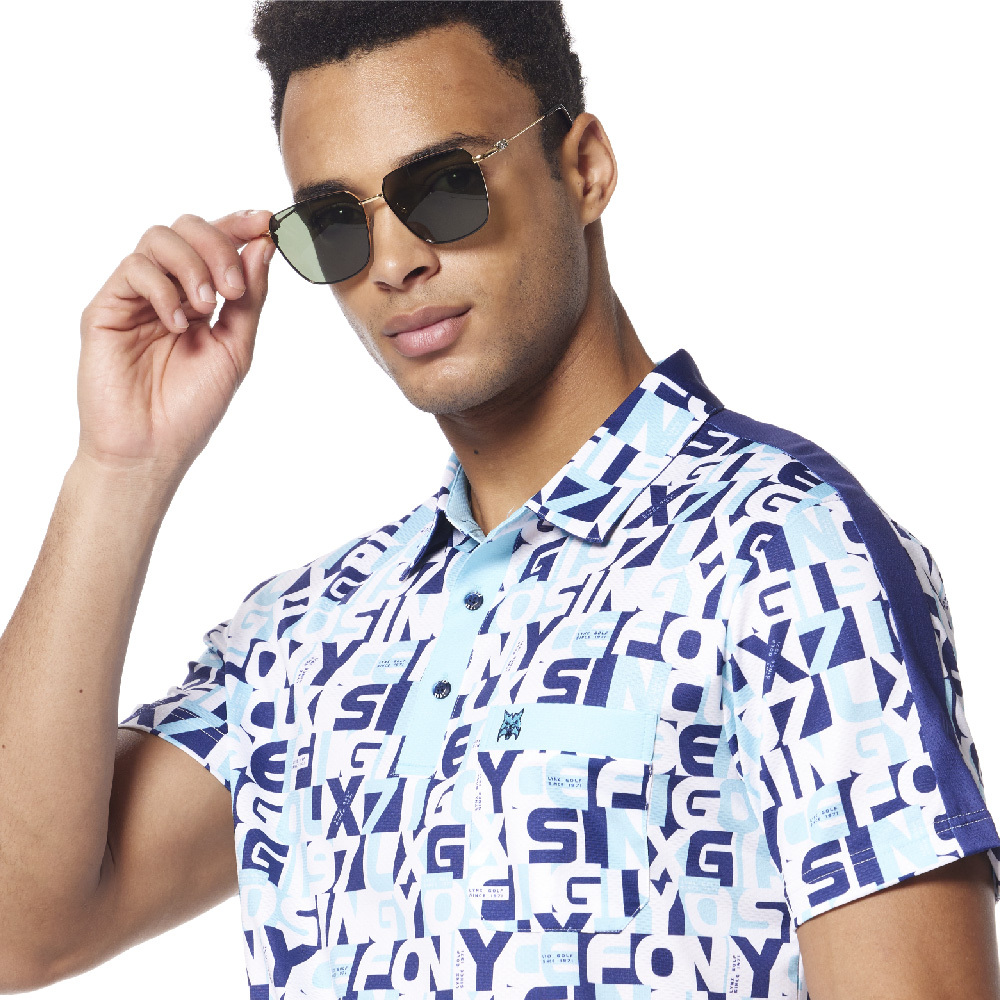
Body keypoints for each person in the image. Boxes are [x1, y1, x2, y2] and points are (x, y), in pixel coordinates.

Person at [0, 2, 997, 998]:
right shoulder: (304, 637)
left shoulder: (786, 554)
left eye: (444, 187)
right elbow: (20, 929)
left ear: (583, 168)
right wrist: (119, 467)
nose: (394, 263)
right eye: (337, 224)